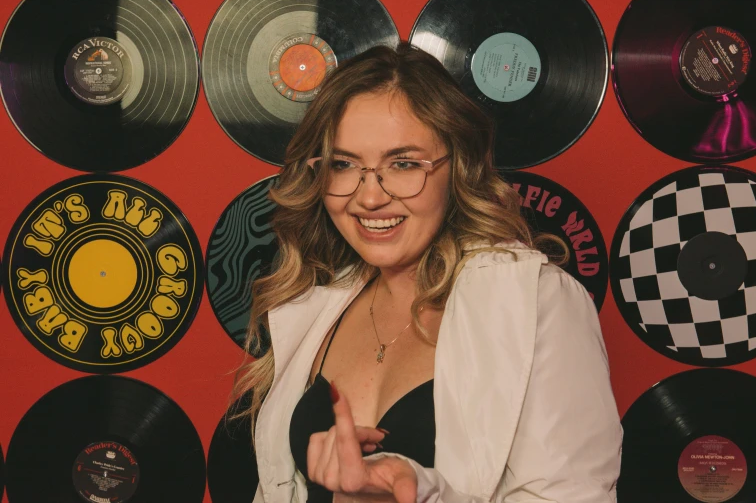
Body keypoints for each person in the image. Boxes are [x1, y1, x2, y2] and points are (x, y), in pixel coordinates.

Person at [231, 41, 623, 502]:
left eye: (403, 164)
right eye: (343, 164)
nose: (370, 197)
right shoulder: (317, 305)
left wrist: (421, 492)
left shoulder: (534, 300)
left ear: (457, 167)